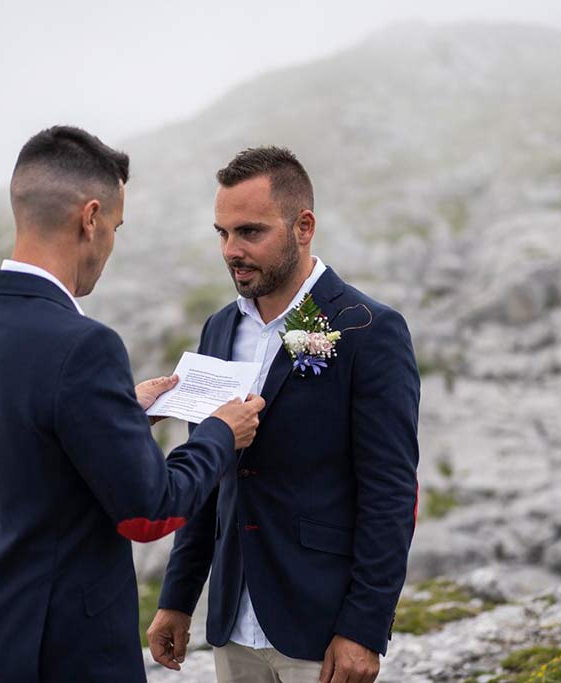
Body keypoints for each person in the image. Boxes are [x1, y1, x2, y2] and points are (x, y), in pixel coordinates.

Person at [0, 125, 264, 683]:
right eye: (114, 227)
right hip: (67, 647)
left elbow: (32, 444)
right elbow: (149, 511)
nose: (110, 243)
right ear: (89, 218)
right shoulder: (83, 345)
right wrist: (217, 431)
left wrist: (122, 414)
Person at [147, 147, 420, 683]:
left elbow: (390, 492)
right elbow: (208, 473)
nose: (232, 250)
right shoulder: (219, 329)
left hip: (319, 630)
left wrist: (365, 627)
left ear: (304, 226)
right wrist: (178, 598)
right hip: (231, 627)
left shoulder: (368, 328)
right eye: (222, 233)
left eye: (250, 232)